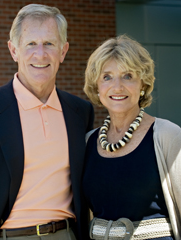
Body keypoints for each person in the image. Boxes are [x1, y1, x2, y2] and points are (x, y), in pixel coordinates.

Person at [0, 4, 94, 240]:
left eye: (49, 44)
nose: (40, 54)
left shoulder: (80, 112)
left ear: (63, 51)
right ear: (14, 51)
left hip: (66, 235)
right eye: (31, 43)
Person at [83, 35, 181, 240]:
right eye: (107, 77)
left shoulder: (167, 136)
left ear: (143, 84)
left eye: (128, 76)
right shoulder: (87, 142)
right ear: (97, 86)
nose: (117, 86)